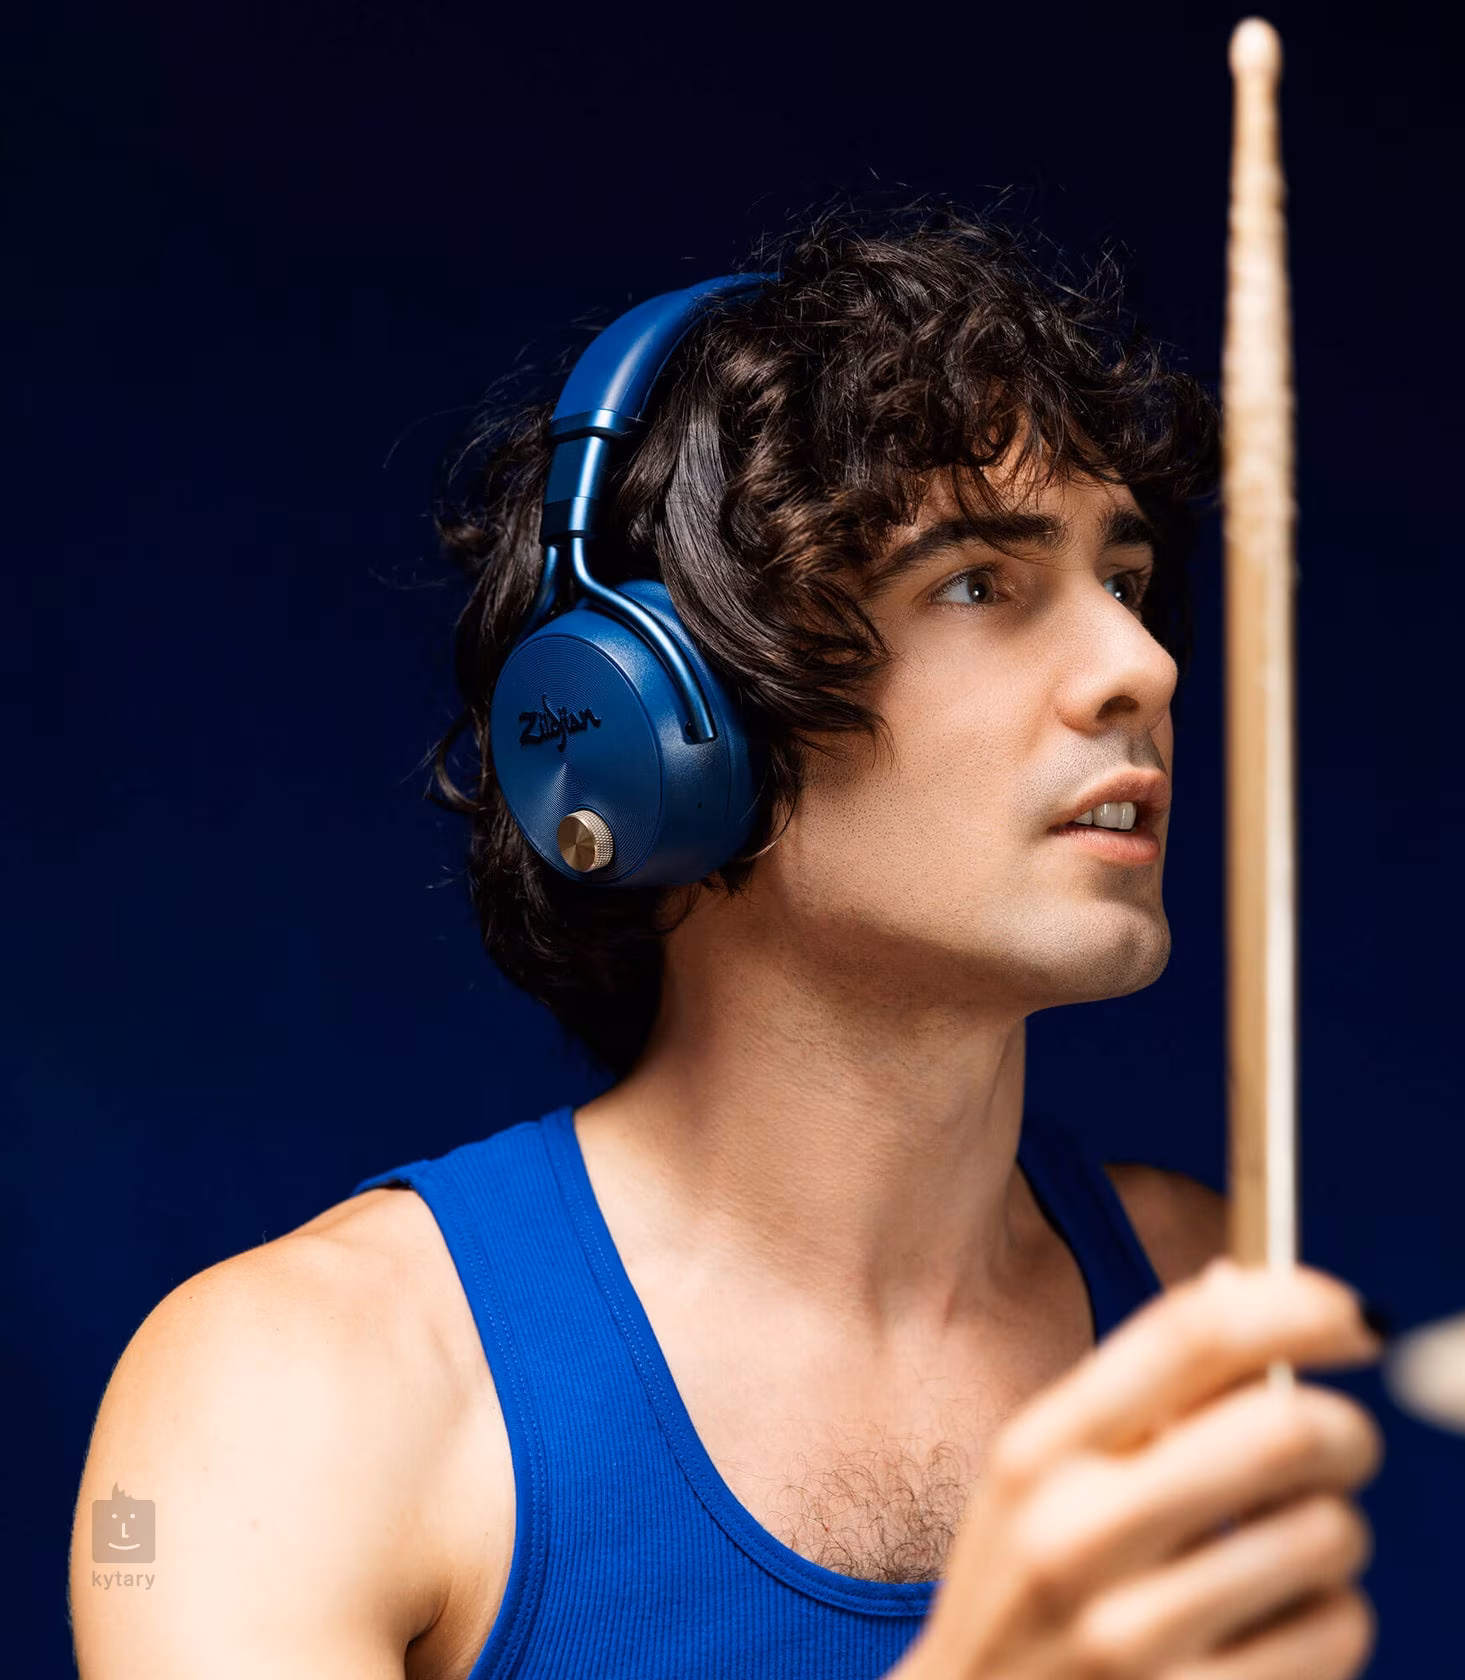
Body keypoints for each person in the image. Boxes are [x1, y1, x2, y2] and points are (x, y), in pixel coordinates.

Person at [69, 209, 1385, 1680]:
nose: (1143, 666)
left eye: (1124, 582)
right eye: (975, 582)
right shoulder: (286, 1396)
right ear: (656, 728)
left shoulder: (1202, 1299)